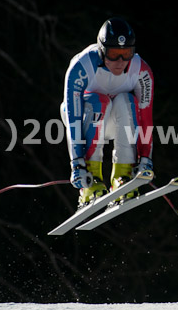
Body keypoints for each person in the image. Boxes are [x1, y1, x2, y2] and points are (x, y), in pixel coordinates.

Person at [61, 17, 154, 208]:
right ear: (102, 50)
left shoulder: (141, 71)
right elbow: (73, 116)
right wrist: (77, 164)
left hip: (114, 121)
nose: (120, 62)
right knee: (99, 101)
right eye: (113, 54)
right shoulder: (83, 66)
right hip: (85, 118)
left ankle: (123, 176)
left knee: (126, 101)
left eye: (126, 53)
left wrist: (146, 159)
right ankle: (92, 178)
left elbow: (146, 119)